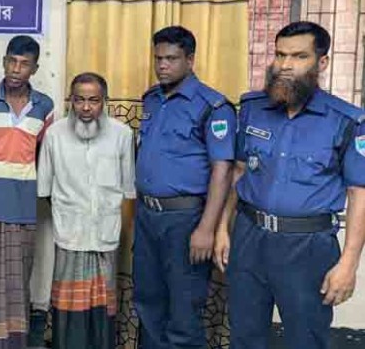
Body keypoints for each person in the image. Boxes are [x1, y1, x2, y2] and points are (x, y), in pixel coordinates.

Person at [214, 21, 365, 349]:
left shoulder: (346, 121)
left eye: (299, 56)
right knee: (244, 335)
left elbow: (359, 194)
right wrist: (223, 229)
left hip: (307, 247)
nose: (285, 65)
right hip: (249, 238)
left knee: (305, 339)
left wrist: (348, 264)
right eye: (280, 54)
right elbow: (238, 172)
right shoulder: (253, 108)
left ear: (321, 63)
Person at [133, 26, 236, 349]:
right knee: (148, 300)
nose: (162, 65)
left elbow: (223, 170)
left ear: (190, 60)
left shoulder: (212, 107)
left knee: (183, 308)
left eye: (171, 59)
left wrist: (206, 229)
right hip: (147, 216)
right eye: (158, 58)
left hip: (185, 219)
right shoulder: (152, 100)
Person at [37, 73, 136, 349]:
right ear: (71, 100)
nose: (86, 107)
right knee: (68, 309)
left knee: (102, 310)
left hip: (105, 236)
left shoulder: (122, 134)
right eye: (79, 100)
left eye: (93, 100)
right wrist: (69, 213)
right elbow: (44, 189)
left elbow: (128, 188)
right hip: (69, 236)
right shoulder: (54, 134)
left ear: (104, 101)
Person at [0, 35, 54, 349]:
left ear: (34, 68)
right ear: (4, 62)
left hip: (22, 207)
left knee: (18, 278)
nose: (16, 69)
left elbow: (42, 153)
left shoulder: (45, 107)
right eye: (12, 61)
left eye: (24, 64)